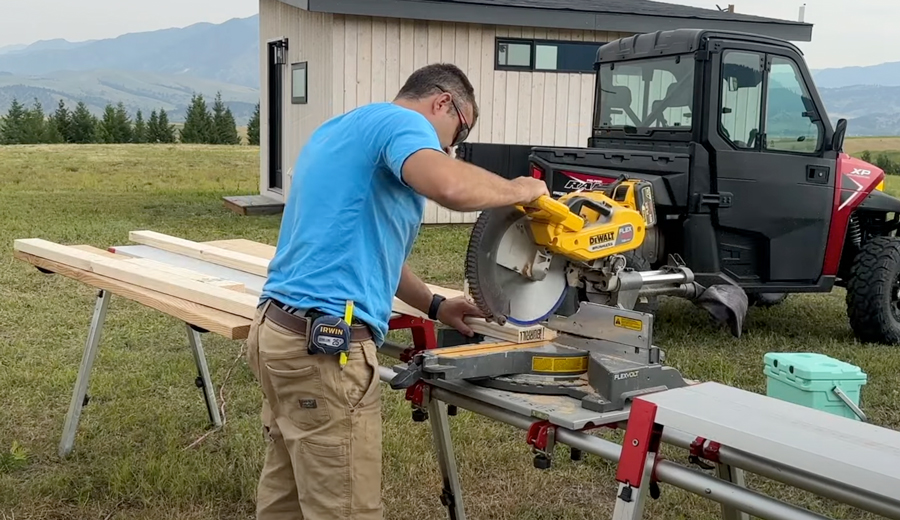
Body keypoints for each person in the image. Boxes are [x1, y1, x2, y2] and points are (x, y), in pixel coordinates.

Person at [244, 62, 550, 520]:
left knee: (286, 496)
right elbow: (448, 185)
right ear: (443, 102)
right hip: (325, 353)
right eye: (456, 135)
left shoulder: (338, 130)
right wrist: (518, 189)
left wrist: (435, 304)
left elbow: (373, 254)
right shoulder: (403, 122)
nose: (449, 147)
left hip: (278, 335)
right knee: (346, 509)